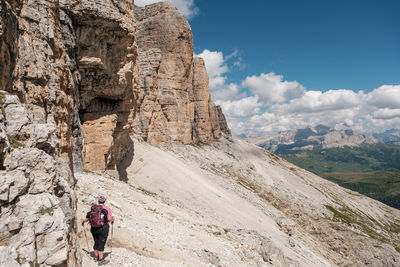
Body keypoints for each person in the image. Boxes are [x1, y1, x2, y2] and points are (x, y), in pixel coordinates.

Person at [81, 196, 114, 262]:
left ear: (98, 201)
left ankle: (96, 256)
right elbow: (109, 219)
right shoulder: (106, 208)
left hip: (94, 228)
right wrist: (113, 219)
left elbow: (88, 218)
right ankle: (101, 259)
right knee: (101, 242)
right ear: (104, 201)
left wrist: (83, 221)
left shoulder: (94, 208)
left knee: (96, 241)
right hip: (103, 228)